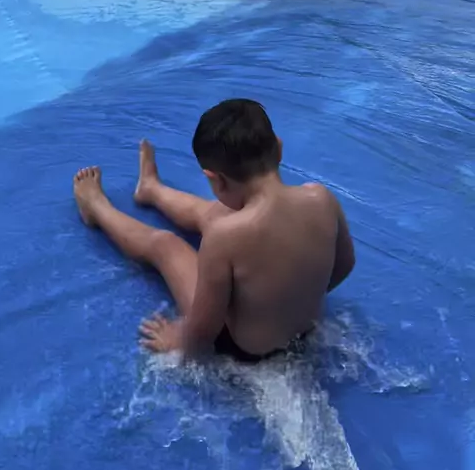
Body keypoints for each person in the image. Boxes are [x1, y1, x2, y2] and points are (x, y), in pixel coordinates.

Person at [73, 99, 355, 363]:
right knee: (217, 213)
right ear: (278, 148)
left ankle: (96, 208)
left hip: (246, 350)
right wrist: (293, 298)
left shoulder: (225, 237)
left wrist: (180, 344)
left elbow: (203, 328)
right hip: (304, 330)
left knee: (166, 245)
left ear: (215, 179)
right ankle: (151, 189)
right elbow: (344, 265)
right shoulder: (321, 198)